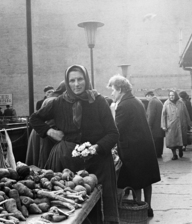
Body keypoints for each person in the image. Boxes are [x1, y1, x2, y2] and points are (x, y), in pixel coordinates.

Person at [30, 65, 120, 224]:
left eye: (80, 79)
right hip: (66, 161)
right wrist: (50, 132)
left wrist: (96, 148)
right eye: (72, 80)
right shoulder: (58, 102)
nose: (76, 84)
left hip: (98, 162)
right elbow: (35, 119)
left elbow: (113, 133)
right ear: (67, 82)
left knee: (101, 204)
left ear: (86, 80)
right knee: (68, 206)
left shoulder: (98, 101)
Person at [107, 74, 161, 218]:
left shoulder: (123, 105)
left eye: (112, 90)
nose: (112, 93)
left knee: (136, 181)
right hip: (145, 146)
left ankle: (139, 208)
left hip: (133, 149)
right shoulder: (136, 101)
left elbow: (117, 130)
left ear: (119, 89)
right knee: (147, 180)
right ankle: (148, 207)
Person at [26, 81, 66, 168]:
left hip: (41, 130)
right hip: (44, 131)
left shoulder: (52, 99)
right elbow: (48, 120)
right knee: (44, 158)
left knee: (37, 159)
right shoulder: (55, 101)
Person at [161, 90, 191, 160]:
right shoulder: (166, 103)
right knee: (172, 141)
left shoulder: (181, 103)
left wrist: (188, 123)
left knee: (181, 139)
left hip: (181, 124)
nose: (171, 97)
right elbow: (163, 115)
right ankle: (174, 154)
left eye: (173, 95)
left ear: (176, 96)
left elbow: (186, 113)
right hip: (171, 125)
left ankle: (180, 149)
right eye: (170, 95)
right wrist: (164, 125)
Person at [145, 91, 165, 158]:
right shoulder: (158, 101)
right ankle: (159, 153)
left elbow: (151, 114)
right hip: (159, 125)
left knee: (155, 140)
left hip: (155, 126)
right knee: (159, 140)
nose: (146, 99)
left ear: (148, 95)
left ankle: (156, 154)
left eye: (146, 97)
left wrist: (149, 125)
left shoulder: (152, 101)